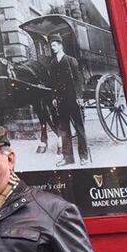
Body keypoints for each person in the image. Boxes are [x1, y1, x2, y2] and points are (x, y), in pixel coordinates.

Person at [48, 33, 90, 166]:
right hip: (61, 101)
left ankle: (83, 156)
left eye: (54, 45)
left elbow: (78, 80)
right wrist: (54, 97)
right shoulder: (53, 63)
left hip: (73, 99)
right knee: (64, 129)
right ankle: (68, 158)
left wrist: (79, 97)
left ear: (60, 45)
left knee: (79, 128)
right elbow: (53, 82)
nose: (53, 48)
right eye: (51, 46)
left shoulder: (71, 60)